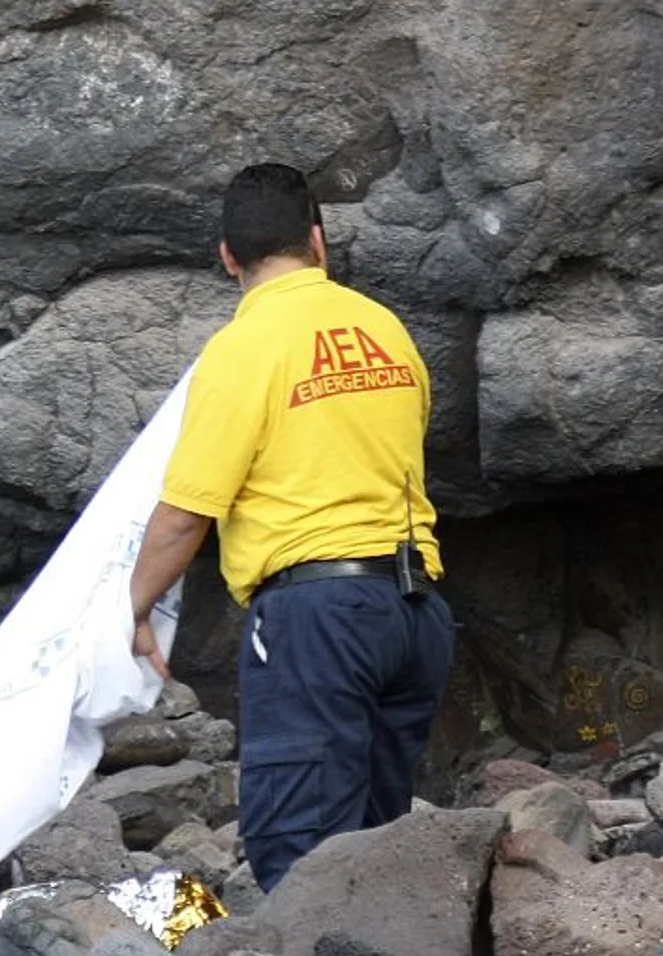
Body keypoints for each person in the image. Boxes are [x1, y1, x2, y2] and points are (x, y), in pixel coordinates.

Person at [127, 163, 457, 893]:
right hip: (414, 611)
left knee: (298, 851)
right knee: (376, 842)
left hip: (317, 617)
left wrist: (136, 606)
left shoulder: (242, 350)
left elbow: (185, 514)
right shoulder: (385, 329)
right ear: (318, 239)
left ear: (228, 257)